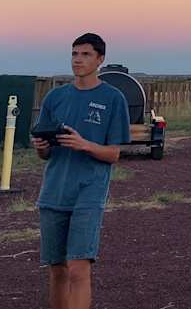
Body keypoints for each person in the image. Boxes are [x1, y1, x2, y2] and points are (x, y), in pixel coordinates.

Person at [32, 33, 130, 309]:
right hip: (53, 192)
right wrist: (41, 146)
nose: (78, 60)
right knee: (57, 268)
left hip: (88, 193)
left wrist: (84, 144)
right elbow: (44, 154)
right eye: (75, 53)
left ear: (100, 59)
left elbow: (114, 154)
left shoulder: (113, 99)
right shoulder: (55, 97)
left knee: (78, 267)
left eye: (86, 54)